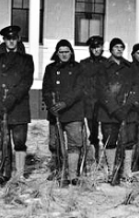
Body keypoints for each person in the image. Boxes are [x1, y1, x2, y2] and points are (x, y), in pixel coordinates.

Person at [0, 25, 34, 185]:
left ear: (18, 39)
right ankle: (5, 172)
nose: (11, 41)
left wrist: (12, 98)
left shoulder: (27, 59)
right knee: (3, 140)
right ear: (4, 40)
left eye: (14, 38)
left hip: (18, 106)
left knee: (19, 141)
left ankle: (20, 174)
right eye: (8, 39)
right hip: (0, 107)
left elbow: (26, 81)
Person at [96, 38, 139, 182]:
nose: (119, 49)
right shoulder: (103, 67)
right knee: (110, 140)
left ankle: (127, 171)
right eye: (116, 47)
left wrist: (127, 106)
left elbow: (136, 87)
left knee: (129, 141)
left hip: (128, 111)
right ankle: (111, 171)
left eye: (121, 47)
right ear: (111, 49)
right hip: (109, 112)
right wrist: (114, 108)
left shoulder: (130, 67)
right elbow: (102, 90)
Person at [42, 40, 85, 186]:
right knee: (55, 144)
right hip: (55, 114)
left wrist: (65, 103)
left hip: (72, 112)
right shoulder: (50, 68)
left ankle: (73, 175)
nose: (64, 54)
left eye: (67, 51)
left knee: (74, 144)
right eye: (61, 52)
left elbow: (79, 89)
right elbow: (46, 90)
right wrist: (51, 106)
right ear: (57, 53)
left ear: (71, 52)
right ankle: (59, 172)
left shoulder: (78, 68)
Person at [80, 36, 107, 163]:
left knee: (107, 132)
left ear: (102, 47)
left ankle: (107, 159)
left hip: (105, 105)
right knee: (93, 133)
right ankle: (95, 159)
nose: (96, 50)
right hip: (90, 104)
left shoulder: (107, 63)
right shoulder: (84, 64)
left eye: (99, 47)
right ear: (90, 49)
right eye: (94, 47)